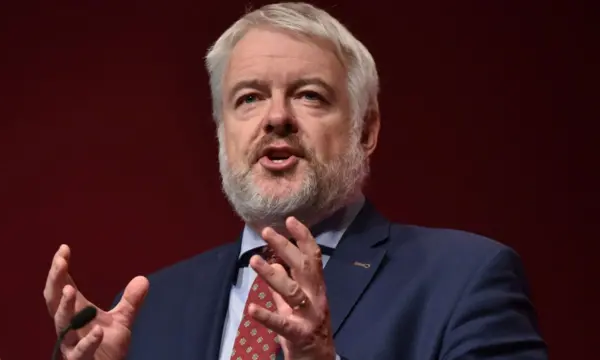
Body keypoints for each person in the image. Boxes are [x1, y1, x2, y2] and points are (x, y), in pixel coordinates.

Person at [43, 2, 548, 359]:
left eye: (309, 95)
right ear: (223, 132)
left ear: (365, 130)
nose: (276, 117)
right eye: (249, 98)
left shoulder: (465, 280)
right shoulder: (152, 306)